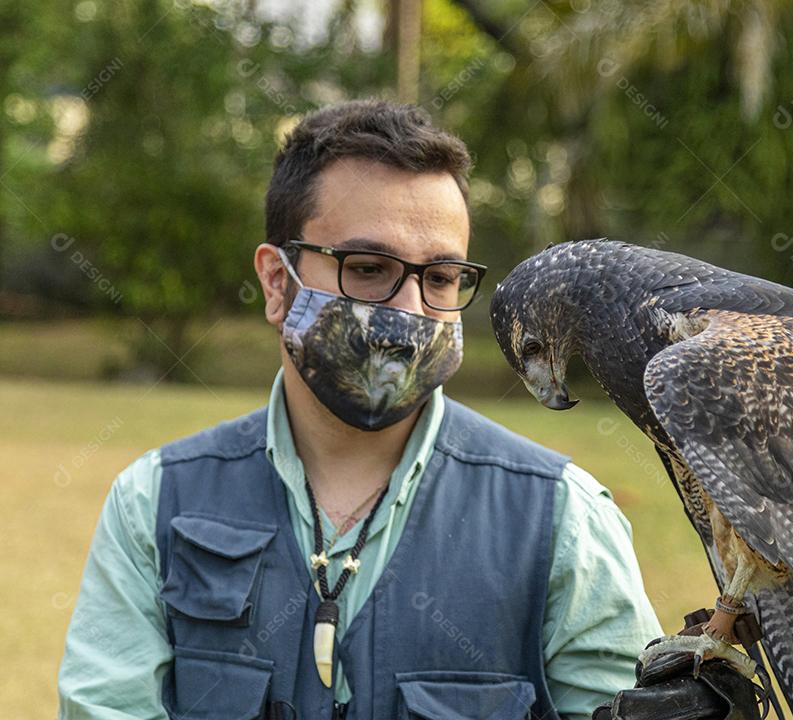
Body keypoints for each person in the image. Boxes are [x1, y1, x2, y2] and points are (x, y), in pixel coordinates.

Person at [57, 99, 663, 719]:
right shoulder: (153, 503)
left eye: (441, 278)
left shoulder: (564, 518)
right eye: (368, 269)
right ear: (276, 283)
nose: (411, 311)